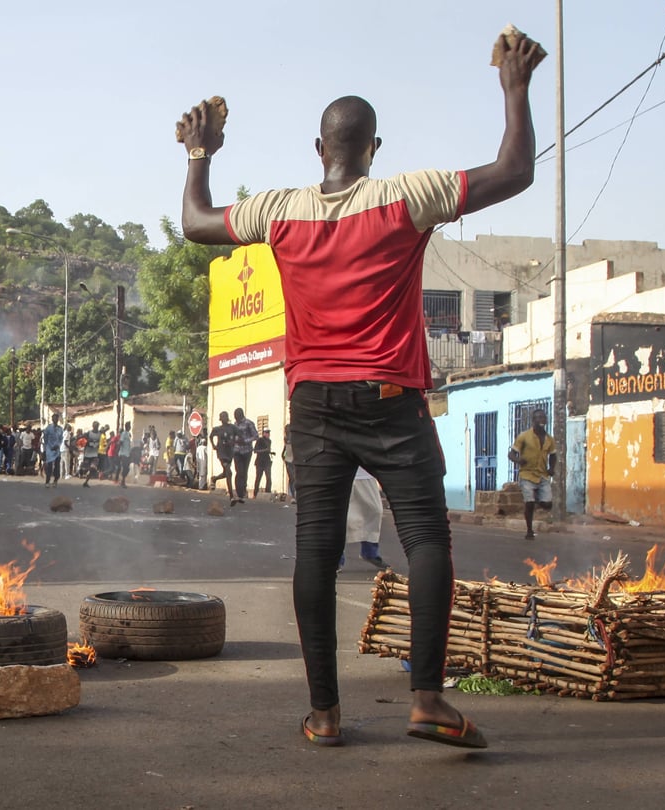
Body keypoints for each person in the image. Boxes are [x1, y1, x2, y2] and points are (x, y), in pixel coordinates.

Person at [177, 29, 544, 748]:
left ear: (320, 149)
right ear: (374, 148)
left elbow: (195, 222)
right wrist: (514, 85)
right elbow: (514, 169)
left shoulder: (278, 209)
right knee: (425, 539)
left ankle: (323, 714)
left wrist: (200, 153)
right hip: (389, 399)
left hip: (312, 401)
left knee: (315, 550)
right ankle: (426, 700)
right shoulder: (406, 197)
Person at [509, 408, 555, 540]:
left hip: (542, 474)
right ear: (533, 420)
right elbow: (511, 453)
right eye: (538, 417)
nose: (541, 420)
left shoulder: (549, 439)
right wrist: (518, 460)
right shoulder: (524, 436)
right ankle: (529, 530)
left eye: (543, 417)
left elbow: (553, 455)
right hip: (527, 474)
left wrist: (551, 468)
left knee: (547, 504)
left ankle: (537, 501)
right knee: (529, 503)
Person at [339, 469, 389, 571]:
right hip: (342, 472)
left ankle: (369, 553)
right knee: (341, 517)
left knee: (375, 511)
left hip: (366, 474)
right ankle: (337, 559)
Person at [208, 411, 237, 500]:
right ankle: (231, 495)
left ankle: (214, 479)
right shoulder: (217, 429)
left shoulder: (232, 428)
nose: (224, 418)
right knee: (229, 472)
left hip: (230, 452)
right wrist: (213, 445)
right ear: (220, 419)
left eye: (225, 416)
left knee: (226, 473)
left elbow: (238, 436)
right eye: (222, 417)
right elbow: (211, 436)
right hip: (221, 453)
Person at [231, 407, 259, 504]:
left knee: (244, 472)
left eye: (237, 416)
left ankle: (243, 490)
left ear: (241, 415)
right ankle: (239, 492)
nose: (236, 419)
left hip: (246, 451)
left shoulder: (248, 423)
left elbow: (256, 436)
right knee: (239, 471)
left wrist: (245, 441)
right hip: (237, 451)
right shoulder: (235, 425)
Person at [42, 412, 64, 488]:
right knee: (49, 466)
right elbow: (45, 439)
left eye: (56, 418)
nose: (55, 419)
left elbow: (61, 439)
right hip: (49, 449)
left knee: (57, 466)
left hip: (57, 450)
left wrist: (58, 446)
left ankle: (55, 481)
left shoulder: (60, 429)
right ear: (52, 419)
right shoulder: (48, 428)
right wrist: (46, 449)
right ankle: (47, 481)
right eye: (54, 418)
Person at [253, 427, 274, 499]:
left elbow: (268, 450)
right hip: (260, 461)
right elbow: (255, 451)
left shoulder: (269, 441)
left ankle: (268, 492)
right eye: (266, 432)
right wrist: (265, 450)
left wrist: (271, 452)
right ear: (263, 433)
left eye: (268, 432)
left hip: (267, 461)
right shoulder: (260, 440)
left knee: (269, 478)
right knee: (258, 478)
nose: (268, 434)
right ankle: (255, 493)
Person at [80, 420, 101, 487]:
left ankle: (86, 482)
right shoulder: (88, 433)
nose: (96, 427)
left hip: (95, 454)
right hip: (88, 454)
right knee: (85, 469)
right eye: (95, 426)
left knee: (93, 468)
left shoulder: (100, 434)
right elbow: (82, 438)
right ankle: (81, 470)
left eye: (97, 426)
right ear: (93, 426)